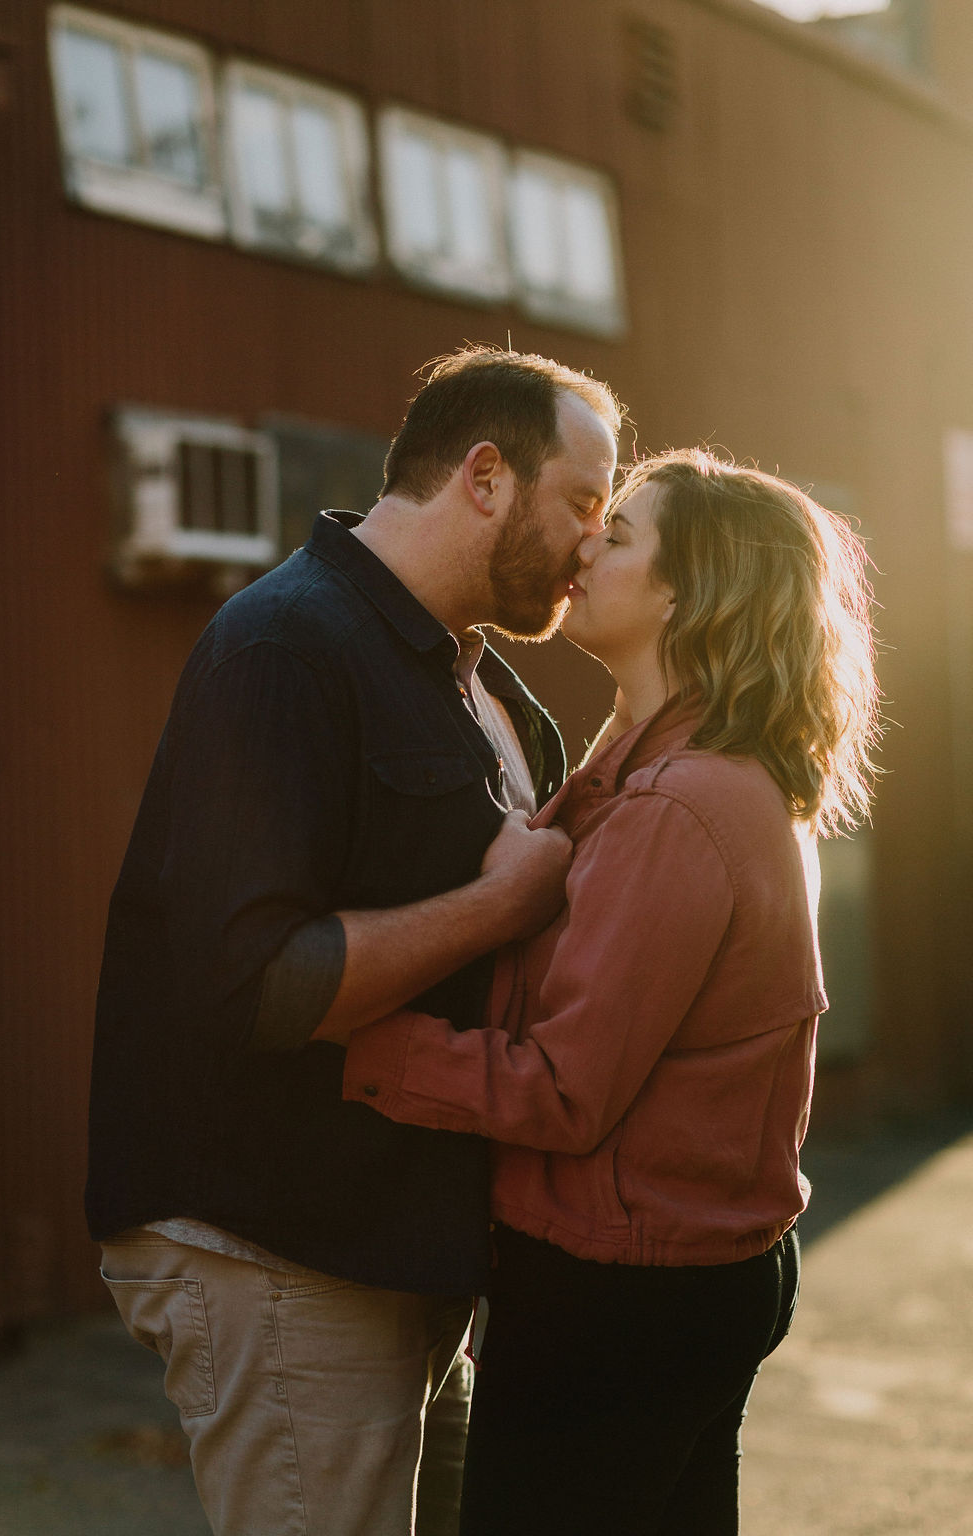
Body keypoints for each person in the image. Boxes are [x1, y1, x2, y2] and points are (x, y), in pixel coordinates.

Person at [84, 346, 622, 1536]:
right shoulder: (285, 646)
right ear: (484, 475)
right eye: (583, 502)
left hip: (406, 1252)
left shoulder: (492, 695)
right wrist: (498, 906)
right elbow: (253, 986)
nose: (594, 543)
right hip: (278, 1246)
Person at [323, 449, 881, 1535]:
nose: (585, 545)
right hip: (682, 1276)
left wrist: (348, 1035)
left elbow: (564, 1089)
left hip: (623, 1290)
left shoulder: (679, 805)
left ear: (686, 593)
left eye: (618, 534)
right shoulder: (673, 770)